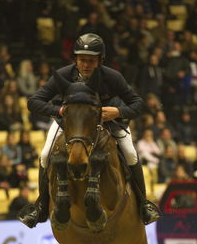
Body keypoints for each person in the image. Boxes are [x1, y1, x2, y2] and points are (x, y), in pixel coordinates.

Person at [19, 33, 161, 228]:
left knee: (131, 154)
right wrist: (60, 110)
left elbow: (137, 103)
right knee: (44, 155)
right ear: (75, 59)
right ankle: (41, 205)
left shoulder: (112, 76)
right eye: (82, 60)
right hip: (71, 124)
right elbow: (33, 102)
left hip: (108, 122)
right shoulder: (64, 75)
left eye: (91, 61)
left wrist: (119, 111)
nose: (86, 65)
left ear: (100, 61)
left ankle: (144, 204)